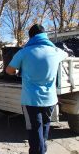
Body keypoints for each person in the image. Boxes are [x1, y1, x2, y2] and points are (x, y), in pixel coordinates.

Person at [6, 24, 68, 154]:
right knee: (45, 126)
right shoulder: (56, 51)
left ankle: (38, 151)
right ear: (45, 35)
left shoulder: (24, 52)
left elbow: (9, 70)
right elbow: (66, 55)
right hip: (50, 99)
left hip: (31, 100)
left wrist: (18, 70)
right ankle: (42, 149)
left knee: (34, 129)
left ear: (31, 36)